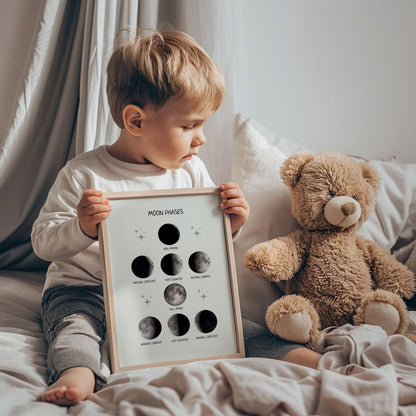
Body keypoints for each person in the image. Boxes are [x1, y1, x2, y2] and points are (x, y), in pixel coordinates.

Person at [31, 28, 249, 406]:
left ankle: (289, 354)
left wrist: (228, 226)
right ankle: (77, 373)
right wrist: (81, 227)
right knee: (74, 329)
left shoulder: (191, 172)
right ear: (136, 121)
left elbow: (202, 246)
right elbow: (43, 242)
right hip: (84, 289)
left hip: (160, 287)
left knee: (230, 324)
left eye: (202, 125)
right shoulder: (84, 175)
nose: (202, 139)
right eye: (189, 126)